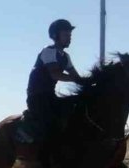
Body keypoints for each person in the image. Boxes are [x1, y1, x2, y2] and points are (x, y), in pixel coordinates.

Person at [21, 19, 84, 157]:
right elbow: (55, 74)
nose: (69, 37)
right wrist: (76, 80)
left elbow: (77, 77)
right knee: (50, 123)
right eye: (66, 34)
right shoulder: (48, 51)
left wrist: (91, 83)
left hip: (50, 96)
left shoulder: (65, 57)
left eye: (70, 35)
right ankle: (43, 158)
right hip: (36, 96)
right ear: (56, 36)